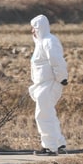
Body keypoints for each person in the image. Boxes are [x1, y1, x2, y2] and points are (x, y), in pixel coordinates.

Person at [28, 14, 69, 155]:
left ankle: (50, 147)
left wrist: (62, 77)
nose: (32, 31)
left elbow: (57, 60)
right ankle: (58, 143)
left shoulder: (49, 41)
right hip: (42, 84)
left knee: (43, 115)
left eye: (34, 28)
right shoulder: (40, 43)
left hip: (49, 83)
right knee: (49, 114)